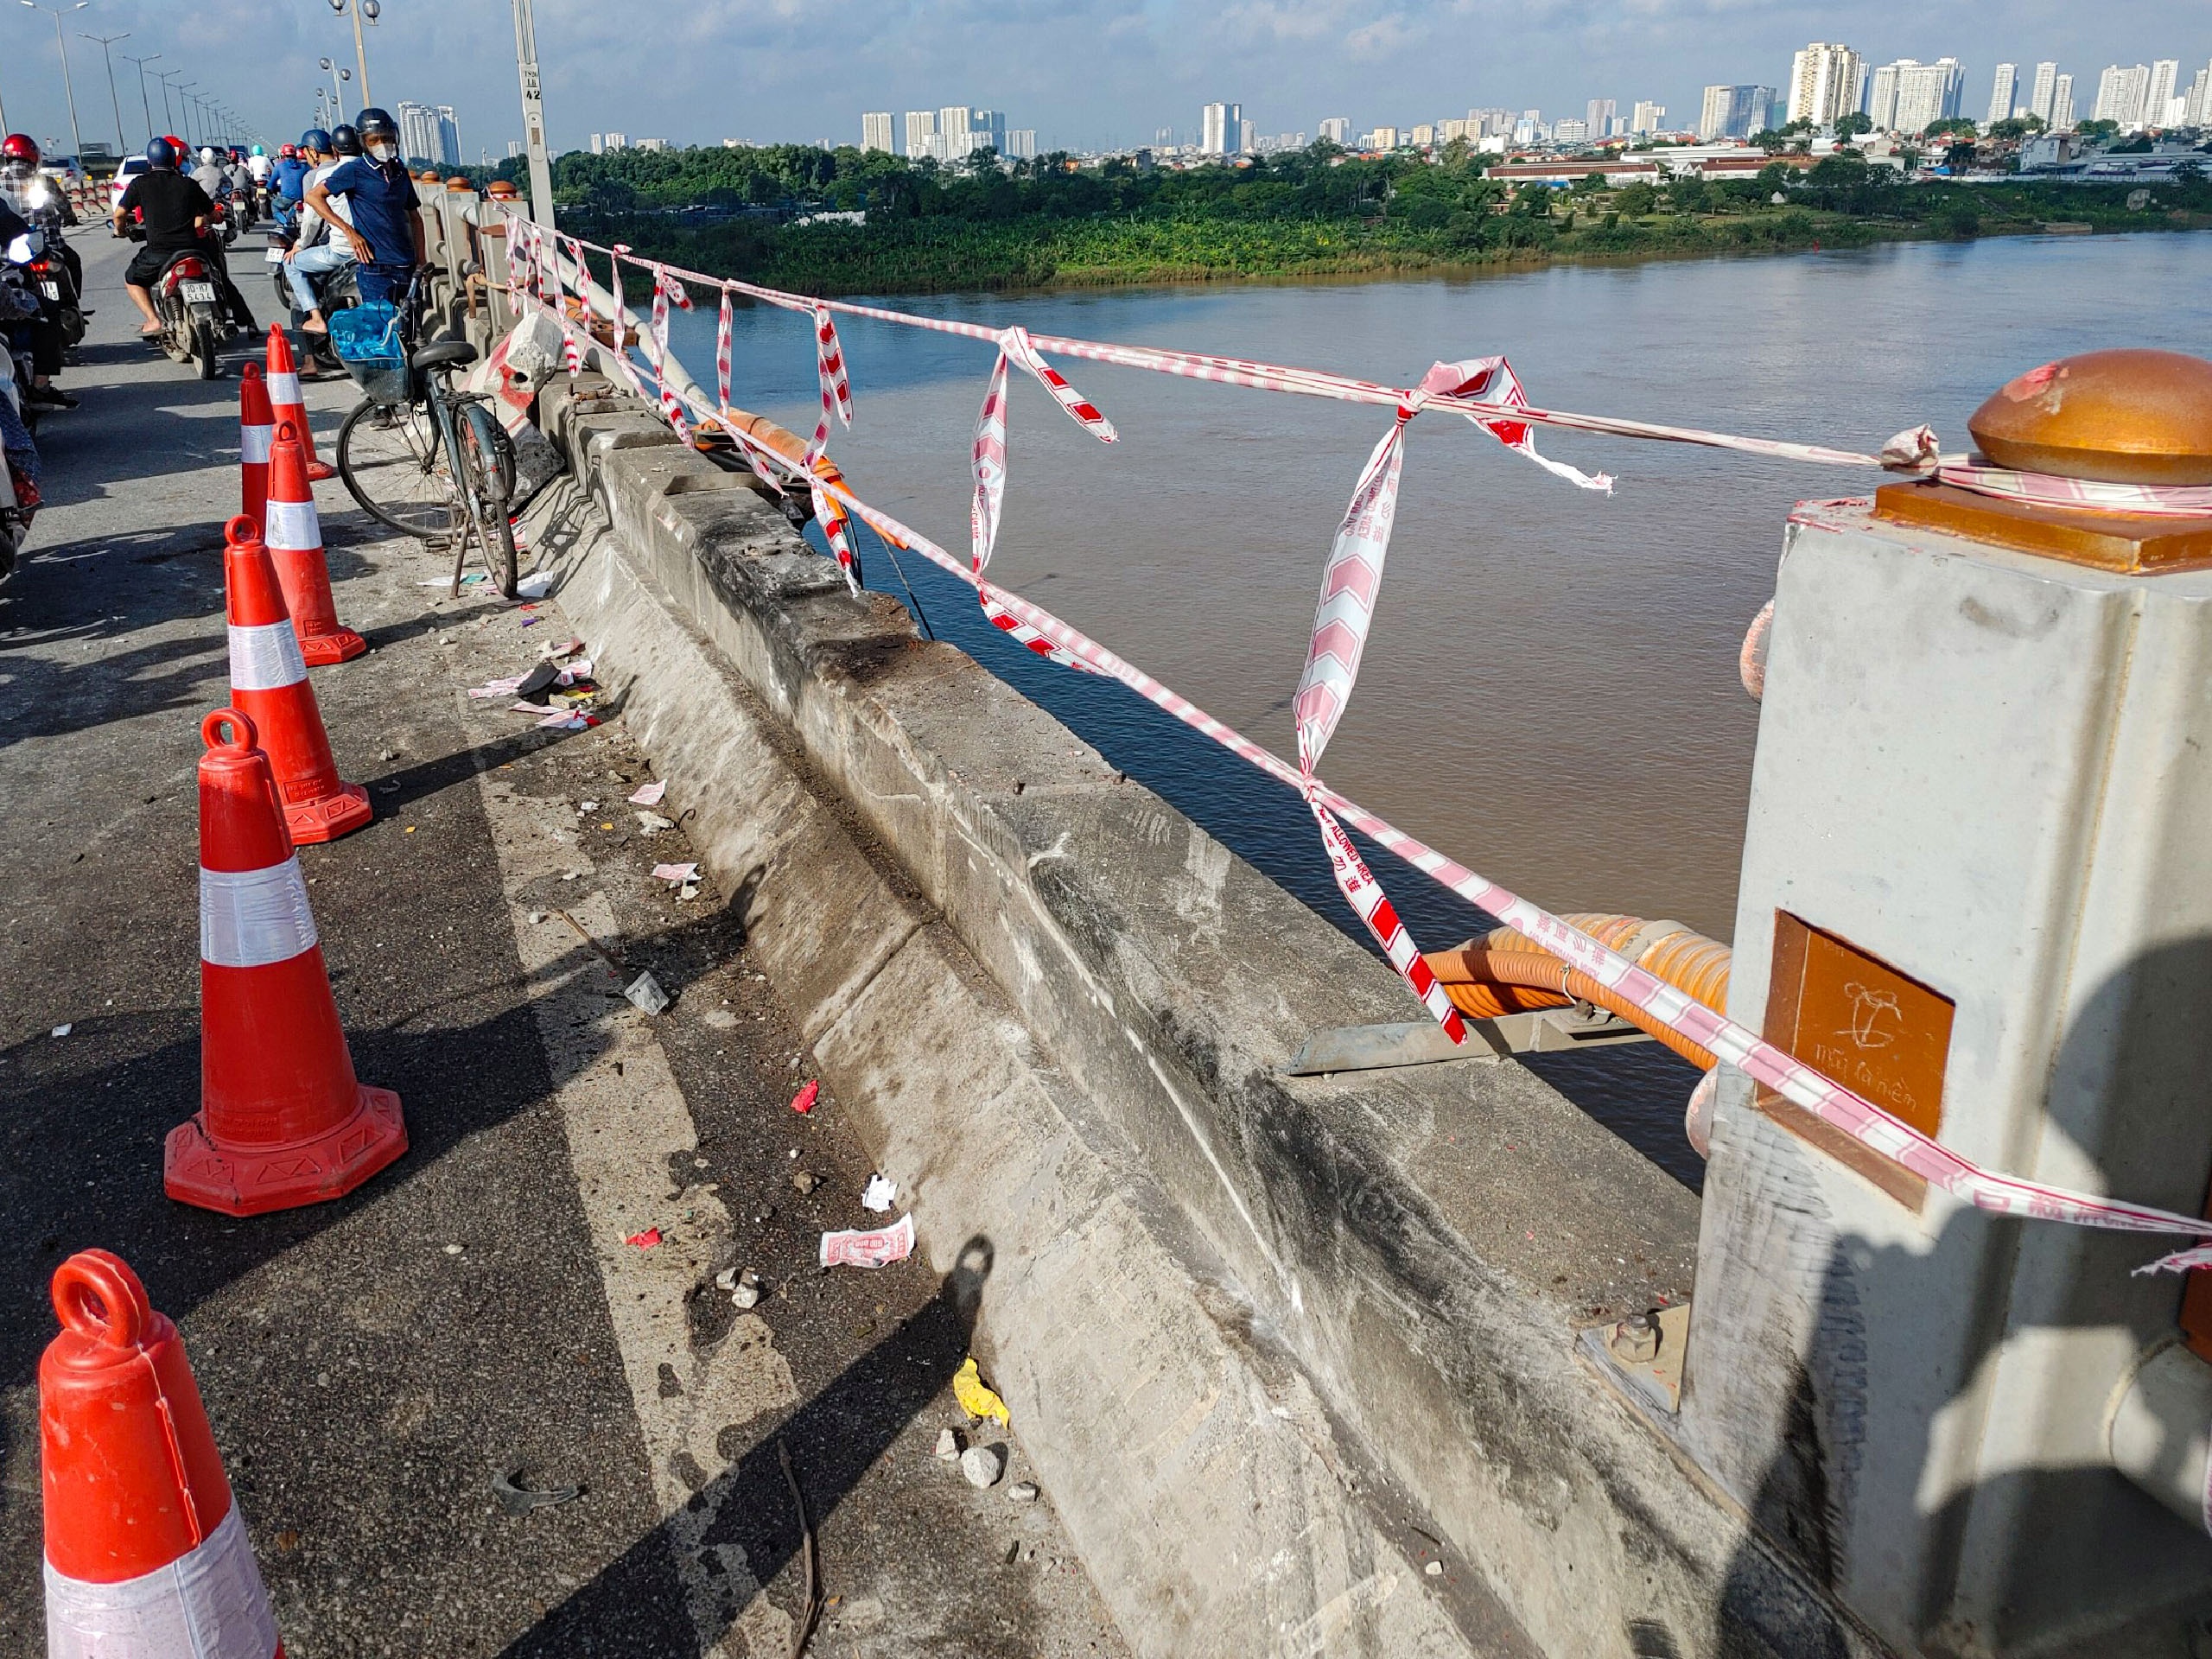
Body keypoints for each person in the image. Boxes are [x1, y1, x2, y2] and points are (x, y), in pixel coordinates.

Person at [113, 137, 256, 338]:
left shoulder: (140, 184)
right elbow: (212, 214)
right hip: (193, 247)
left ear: (150, 161)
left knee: (132, 279)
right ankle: (247, 320)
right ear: (175, 159)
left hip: (159, 252)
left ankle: (153, 321)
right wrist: (216, 217)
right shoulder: (188, 184)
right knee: (221, 277)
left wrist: (120, 231)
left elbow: (119, 215)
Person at [302, 108, 423, 309]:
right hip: (376, 268)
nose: (382, 145)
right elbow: (313, 197)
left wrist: (421, 259)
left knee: (411, 330)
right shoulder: (355, 171)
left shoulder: (400, 173)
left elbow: (415, 218)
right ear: (363, 143)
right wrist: (349, 232)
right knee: (379, 332)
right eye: (374, 140)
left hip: (406, 265)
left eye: (386, 138)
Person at [0, 189, 75, 410]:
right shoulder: (3, 211)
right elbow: (27, 241)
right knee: (48, 311)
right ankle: (40, 385)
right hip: (7, 288)